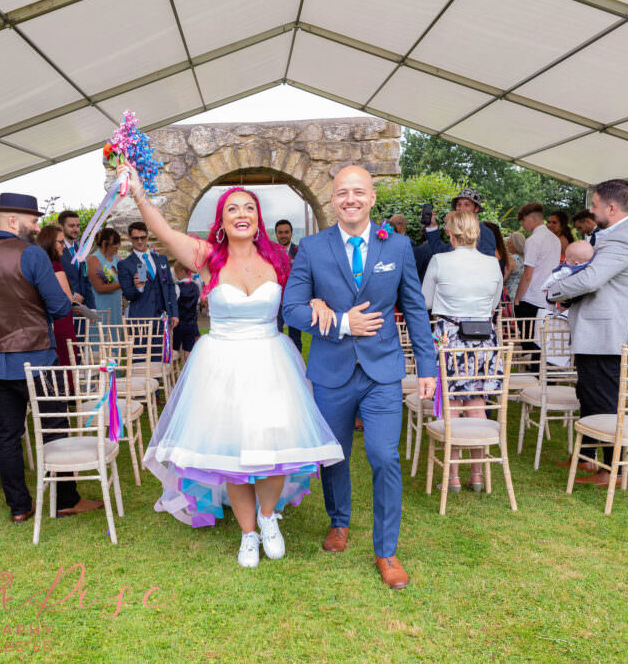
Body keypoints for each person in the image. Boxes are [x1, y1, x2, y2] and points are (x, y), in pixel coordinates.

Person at [126, 169, 343, 570]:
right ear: (222, 221)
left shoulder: (279, 259)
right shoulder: (209, 258)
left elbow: (304, 294)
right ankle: (247, 534)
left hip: (270, 363)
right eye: (232, 209)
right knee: (233, 455)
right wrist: (139, 194)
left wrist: (318, 303)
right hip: (221, 365)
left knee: (275, 447)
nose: (241, 214)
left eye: (248, 208)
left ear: (257, 218)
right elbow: (164, 232)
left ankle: (267, 518)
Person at [283, 165, 437, 590]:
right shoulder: (312, 248)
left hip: (382, 371)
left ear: (371, 198)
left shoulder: (399, 247)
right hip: (332, 371)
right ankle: (338, 522)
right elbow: (291, 309)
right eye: (341, 193)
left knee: (384, 456)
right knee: (334, 454)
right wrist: (341, 323)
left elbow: (416, 310)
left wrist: (428, 368)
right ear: (333, 200)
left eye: (358, 192)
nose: (350, 200)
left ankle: (386, 551)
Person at [0, 193, 102, 523]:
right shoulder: (32, 255)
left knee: (9, 434)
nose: (36, 227)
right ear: (13, 221)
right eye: (33, 221)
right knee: (54, 428)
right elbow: (58, 306)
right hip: (38, 357)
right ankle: (65, 499)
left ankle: (19, 507)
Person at [546, 179, 628, 485]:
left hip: (609, 334)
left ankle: (613, 471)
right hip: (602, 332)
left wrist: (554, 290)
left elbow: (592, 278)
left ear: (611, 207)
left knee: (604, 400)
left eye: (594, 205)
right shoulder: (623, 233)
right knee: (589, 395)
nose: (590, 211)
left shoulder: (622, 238)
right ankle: (588, 458)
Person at [422, 211, 503, 493]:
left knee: (452, 404)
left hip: (450, 336)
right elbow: (494, 303)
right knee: (477, 401)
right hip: (483, 338)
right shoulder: (493, 264)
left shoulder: (440, 261)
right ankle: (477, 475)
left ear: (451, 233)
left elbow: (426, 300)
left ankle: (453, 476)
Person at [117, 221, 178, 361]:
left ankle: (156, 382)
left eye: (142, 237)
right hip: (140, 320)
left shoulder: (161, 259)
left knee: (159, 360)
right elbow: (128, 294)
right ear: (129, 238)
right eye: (135, 238)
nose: (139, 241)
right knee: (141, 360)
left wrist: (174, 312)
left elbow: (170, 287)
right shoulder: (124, 264)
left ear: (148, 236)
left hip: (161, 318)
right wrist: (139, 287)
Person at [36, 225, 79, 368]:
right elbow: (67, 300)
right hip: (62, 322)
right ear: (50, 243)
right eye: (60, 242)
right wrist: (76, 300)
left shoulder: (40, 264)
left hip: (48, 323)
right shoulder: (55, 266)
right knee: (67, 362)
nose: (64, 247)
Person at [512, 202, 561, 320]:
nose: (522, 224)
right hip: (548, 300)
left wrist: (517, 298)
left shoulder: (533, 240)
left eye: (523, 220)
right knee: (542, 338)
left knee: (526, 338)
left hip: (531, 299)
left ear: (533, 218)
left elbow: (527, 275)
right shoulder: (555, 239)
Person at [273, 219, 302, 352]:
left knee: (295, 338)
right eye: (280, 233)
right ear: (276, 234)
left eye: (286, 232)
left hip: (295, 302)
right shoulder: (270, 253)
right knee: (275, 335)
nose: (283, 235)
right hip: (276, 302)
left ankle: (298, 368)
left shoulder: (300, 251)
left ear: (291, 233)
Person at [86, 227, 123, 328]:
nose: (117, 246)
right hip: (100, 307)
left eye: (118, 242)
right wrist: (122, 284)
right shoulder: (94, 260)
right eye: (114, 243)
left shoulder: (118, 259)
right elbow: (99, 287)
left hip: (116, 307)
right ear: (104, 244)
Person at [58, 210, 94, 308]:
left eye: (78, 226)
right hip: (65, 308)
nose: (76, 229)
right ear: (61, 227)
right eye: (71, 226)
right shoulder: (56, 250)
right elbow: (53, 280)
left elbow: (86, 280)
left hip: (83, 311)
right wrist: (72, 295)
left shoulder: (80, 250)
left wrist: (93, 308)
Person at [541, 240, 595, 306]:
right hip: (580, 294)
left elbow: (554, 277)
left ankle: (553, 305)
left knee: (552, 298)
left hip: (568, 291)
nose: (565, 260)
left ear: (576, 263)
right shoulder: (591, 262)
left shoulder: (568, 270)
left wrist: (545, 286)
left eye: (567, 259)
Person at [171, 262, 201, 363]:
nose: (176, 275)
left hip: (178, 325)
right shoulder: (196, 286)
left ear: (182, 272)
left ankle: (175, 370)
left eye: (176, 273)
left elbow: (173, 303)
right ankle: (187, 371)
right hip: (191, 324)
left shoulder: (177, 287)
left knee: (175, 349)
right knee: (188, 351)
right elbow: (199, 301)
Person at [503, 232, 525, 302]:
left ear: (515, 245)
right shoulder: (526, 259)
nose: (507, 245)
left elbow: (503, 278)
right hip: (522, 294)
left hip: (509, 294)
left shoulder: (511, 259)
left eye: (509, 243)